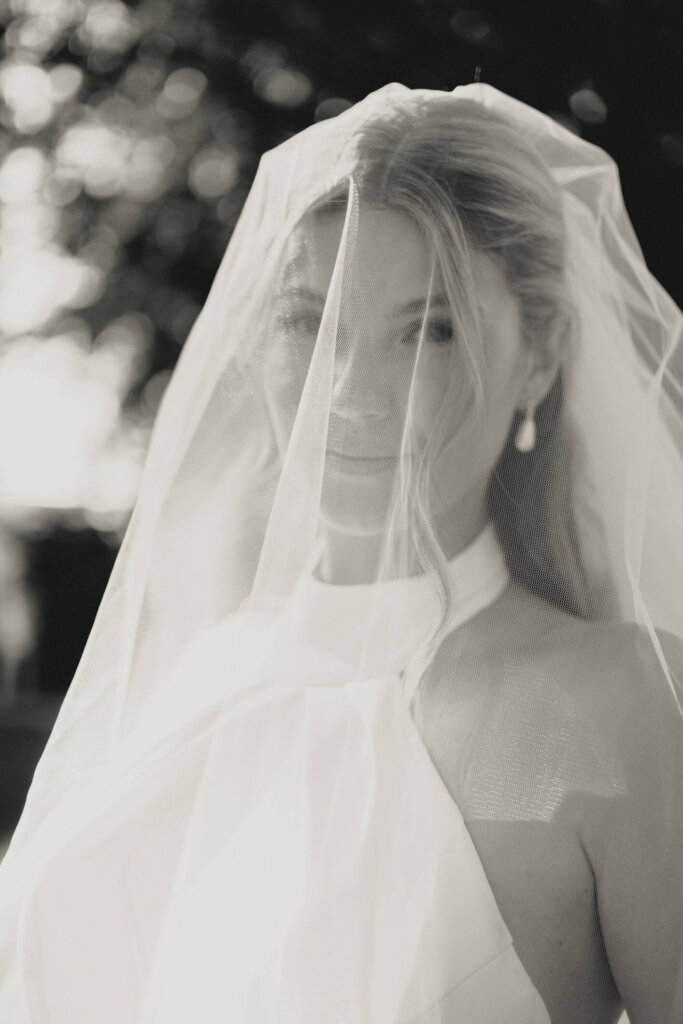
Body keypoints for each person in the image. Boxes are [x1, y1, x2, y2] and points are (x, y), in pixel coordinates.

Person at [0, 82, 681, 1024]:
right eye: (309, 323)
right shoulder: (195, 673)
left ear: (539, 353)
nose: (351, 391)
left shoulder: (618, 710)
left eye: (429, 331)